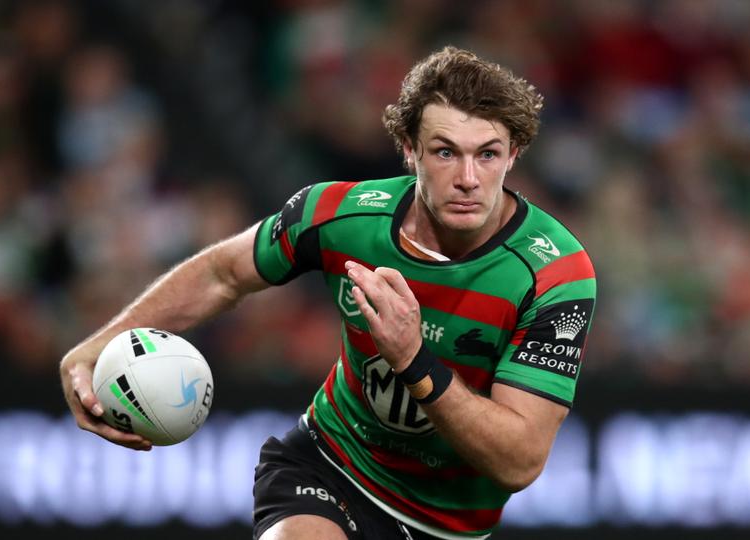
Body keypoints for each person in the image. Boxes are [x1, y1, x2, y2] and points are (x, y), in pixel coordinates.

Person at [60, 45, 597, 540]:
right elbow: (224, 273)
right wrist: (97, 345)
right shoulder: (339, 215)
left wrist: (412, 359)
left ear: (514, 154)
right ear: (408, 150)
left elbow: (519, 460)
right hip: (330, 465)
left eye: (487, 154)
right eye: (444, 152)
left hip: (449, 524)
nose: (467, 178)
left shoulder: (555, 274)